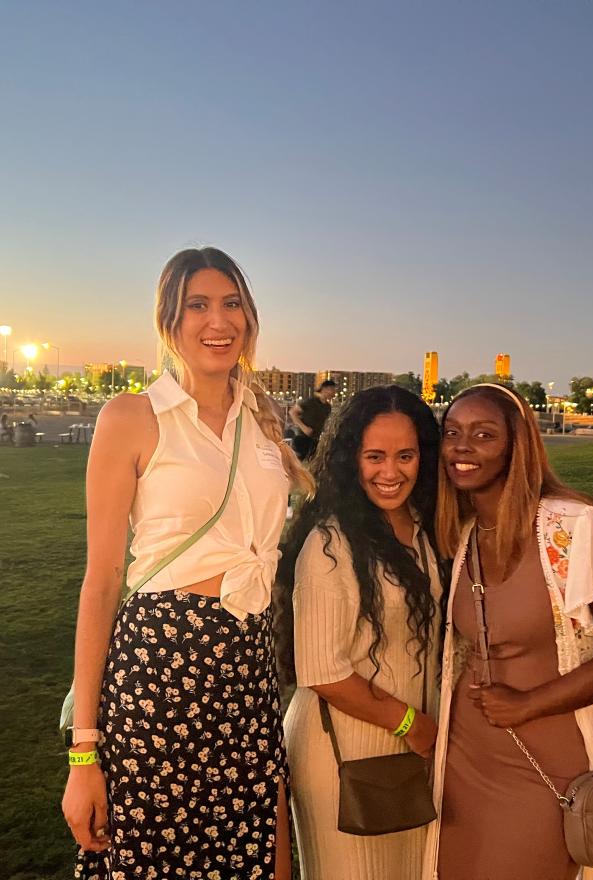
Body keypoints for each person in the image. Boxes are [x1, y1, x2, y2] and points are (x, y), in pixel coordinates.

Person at [62, 246, 313, 880]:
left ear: (250, 319)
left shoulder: (263, 422)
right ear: (169, 322)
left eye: (231, 304)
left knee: (259, 855)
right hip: (159, 673)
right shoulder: (131, 418)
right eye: (196, 305)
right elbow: (102, 582)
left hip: (248, 671)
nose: (217, 321)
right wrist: (83, 754)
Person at [424, 383, 593, 880]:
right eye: (452, 432)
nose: (462, 446)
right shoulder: (458, 531)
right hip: (464, 758)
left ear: (516, 443)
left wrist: (529, 704)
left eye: (483, 434)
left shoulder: (571, 526)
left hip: (545, 761)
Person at [276, 385, 446, 880]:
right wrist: (413, 726)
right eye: (374, 456)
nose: (390, 472)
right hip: (345, 753)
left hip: (416, 747)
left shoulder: (425, 528)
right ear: (351, 459)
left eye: (405, 455)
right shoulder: (330, 544)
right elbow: (322, 671)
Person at [290, 379, 336, 460]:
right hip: (301, 439)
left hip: (315, 442)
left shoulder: (328, 407)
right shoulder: (310, 402)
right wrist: (304, 428)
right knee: (296, 466)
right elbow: (292, 412)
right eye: (332, 389)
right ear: (324, 389)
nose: (334, 392)